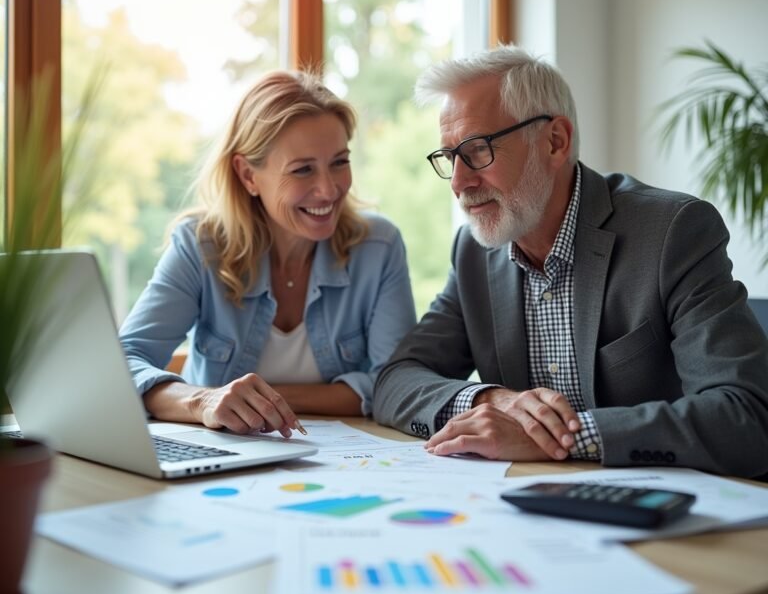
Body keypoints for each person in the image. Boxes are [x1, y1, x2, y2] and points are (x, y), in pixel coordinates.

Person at [372, 44, 768, 478]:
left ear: (554, 142)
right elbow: (395, 382)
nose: (460, 183)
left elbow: (744, 417)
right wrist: (492, 400)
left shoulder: (673, 231)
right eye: (450, 158)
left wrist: (564, 438)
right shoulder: (474, 252)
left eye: (477, 150)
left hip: (671, 512)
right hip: (532, 505)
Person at [120, 71, 416, 438]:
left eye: (340, 162)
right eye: (303, 169)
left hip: (350, 461)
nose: (328, 189)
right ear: (247, 175)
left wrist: (264, 400)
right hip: (225, 457)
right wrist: (203, 402)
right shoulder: (200, 247)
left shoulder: (378, 247)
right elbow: (124, 363)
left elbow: (395, 383)